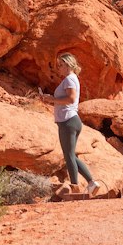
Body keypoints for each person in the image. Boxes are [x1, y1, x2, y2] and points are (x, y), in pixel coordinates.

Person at [39, 53, 100, 197]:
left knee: (69, 156)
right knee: (71, 155)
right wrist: (50, 100)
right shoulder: (70, 79)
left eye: (60, 65)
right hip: (70, 121)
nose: (58, 68)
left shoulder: (69, 79)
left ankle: (75, 189)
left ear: (68, 65)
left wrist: (52, 99)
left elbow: (71, 99)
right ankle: (91, 183)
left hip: (68, 121)